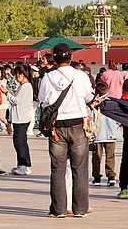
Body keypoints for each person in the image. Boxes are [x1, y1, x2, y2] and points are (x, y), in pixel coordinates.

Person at [39, 42, 94, 218]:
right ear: (71, 57)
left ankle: (59, 209)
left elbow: (43, 102)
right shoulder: (81, 76)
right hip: (78, 125)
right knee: (79, 168)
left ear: (54, 59)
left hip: (57, 127)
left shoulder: (47, 78)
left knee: (58, 169)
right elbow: (88, 96)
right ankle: (80, 209)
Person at [89, 79, 120, 188]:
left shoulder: (94, 104)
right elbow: (119, 119)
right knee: (110, 156)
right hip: (111, 133)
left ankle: (97, 177)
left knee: (97, 157)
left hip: (97, 134)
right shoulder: (113, 103)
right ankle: (111, 177)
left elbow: (88, 116)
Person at [6, 64, 34, 175]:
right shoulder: (23, 86)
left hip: (21, 118)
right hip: (19, 118)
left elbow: (16, 100)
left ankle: (24, 164)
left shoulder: (26, 86)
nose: (15, 78)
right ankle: (21, 164)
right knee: (19, 141)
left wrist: (7, 93)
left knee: (20, 142)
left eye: (16, 75)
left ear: (21, 74)